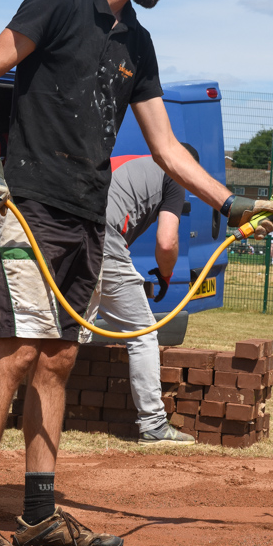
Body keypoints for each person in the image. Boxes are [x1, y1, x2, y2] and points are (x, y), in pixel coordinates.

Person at [0, 0, 273, 546]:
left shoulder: (139, 44)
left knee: (60, 359)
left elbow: (168, 148)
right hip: (32, 208)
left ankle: (38, 512)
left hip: (88, 218)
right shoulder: (58, 4)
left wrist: (231, 204)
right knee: (16, 354)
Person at [97, 146, 199, 445]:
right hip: (102, 239)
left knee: (66, 329)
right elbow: (167, 242)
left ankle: (35, 410)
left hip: (59, 235)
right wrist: (166, 275)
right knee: (142, 332)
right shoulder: (174, 175)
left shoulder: (125, 161)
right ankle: (153, 425)